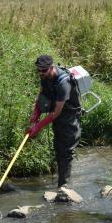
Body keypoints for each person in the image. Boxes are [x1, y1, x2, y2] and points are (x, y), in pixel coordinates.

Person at [28, 55, 82, 189]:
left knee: (66, 150)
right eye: (39, 71)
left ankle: (64, 187)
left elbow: (56, 112)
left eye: (44, 71)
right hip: (57, 117)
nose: (41, 73)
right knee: (58, 147)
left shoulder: (63, 83)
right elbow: (41, 95)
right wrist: (36, 113)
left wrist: (38, 126)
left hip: (70, 117)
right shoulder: (45, 78)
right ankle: (62, 181)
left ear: (51, 68)